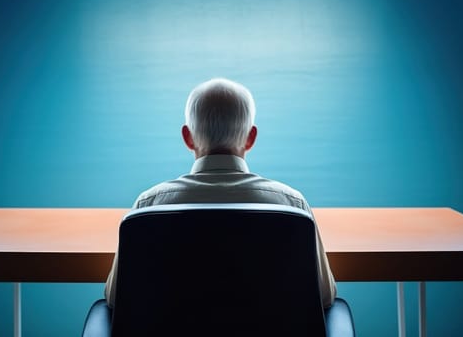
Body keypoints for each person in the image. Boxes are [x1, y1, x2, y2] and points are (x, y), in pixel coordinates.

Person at [105, 78, 337, 308]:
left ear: (187, 137)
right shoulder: (292, 206)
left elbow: (117, 299)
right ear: (251, 138)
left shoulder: (148, 207)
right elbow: (324, 297)